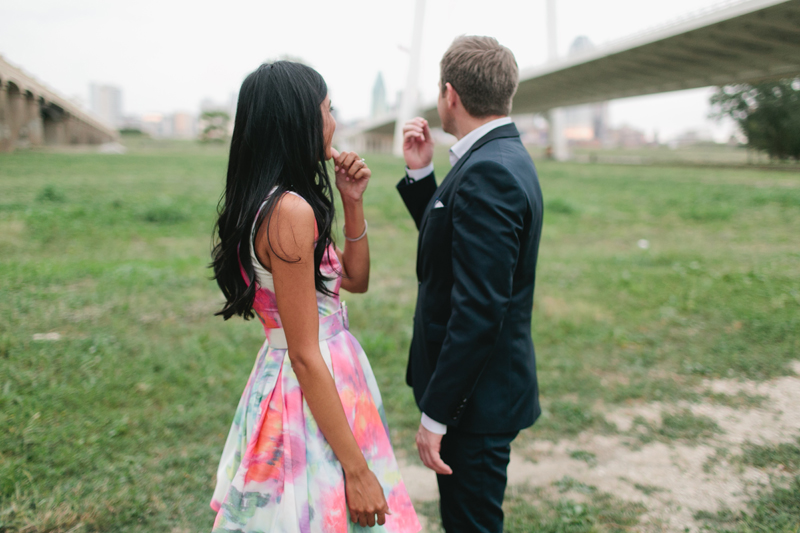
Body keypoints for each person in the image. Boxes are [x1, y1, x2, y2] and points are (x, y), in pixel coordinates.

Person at [210, 61, 420, 533]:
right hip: (308, 388)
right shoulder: (289, 211)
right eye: (328, 110)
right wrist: (357, 469)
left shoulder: (276, 201)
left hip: (312, 377)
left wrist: (352, 201)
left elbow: (355, 281)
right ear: (300, 120)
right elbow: (304, 354)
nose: (335, 122)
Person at [397, 36, 544, 533]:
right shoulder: (495, 157)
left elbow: (480, 308)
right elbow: (460, 250)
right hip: (481, 393)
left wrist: (438, 415)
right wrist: (423, 176)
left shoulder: (489, 171)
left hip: (474, 403)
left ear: (449, 94)